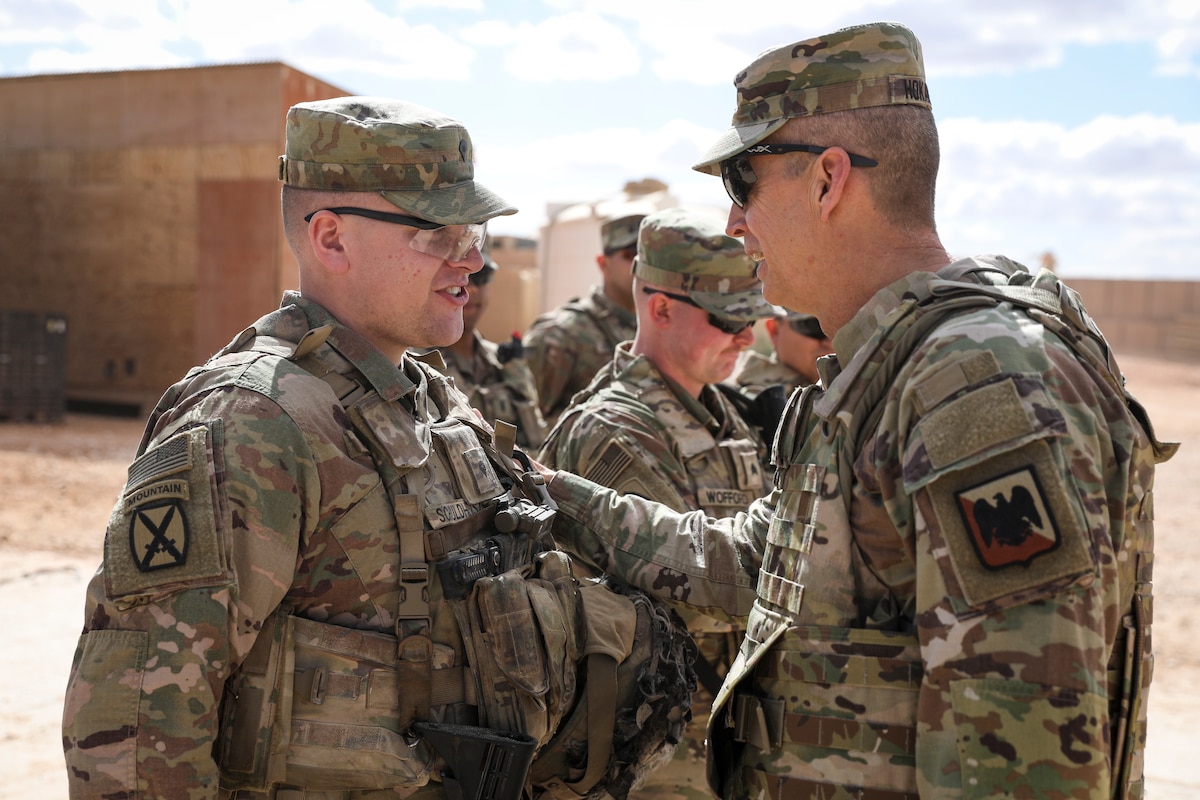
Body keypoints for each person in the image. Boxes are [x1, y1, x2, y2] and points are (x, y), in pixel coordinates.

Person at [536, 22, 1177, 799]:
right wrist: (545, 496)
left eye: (743, 183)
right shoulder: (889, 370)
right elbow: (752, 561)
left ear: (827, 179)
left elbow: (1021, 759)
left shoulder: (975, 382)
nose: (735, 225)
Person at [61, 97, 694, 800]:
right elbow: (139, 730)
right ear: (331, 238)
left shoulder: (428, 398)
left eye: (474, 231)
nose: (474, 261)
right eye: (438, 233)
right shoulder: (248, 422)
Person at [539, 206, 773, 799]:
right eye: (728, 319)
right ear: (662, 307)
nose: (748, 337)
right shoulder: (614, 429)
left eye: (754, 319)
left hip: (718, 749)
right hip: (652, 762)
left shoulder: (723, 417)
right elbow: (691, 597)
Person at [424, 245, 550, 449]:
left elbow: (537, 439)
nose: (471, 288)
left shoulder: (506, 362)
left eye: (481, 278)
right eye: (463, 276)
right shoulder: (415, 365)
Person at [523, 212, 642, 426]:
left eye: (647, 256)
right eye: (630, 254)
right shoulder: (561, 332)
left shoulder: (655, 331)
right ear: (603, 264)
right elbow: (527, 423)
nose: (640, 265)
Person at [723, 309, 834, 445]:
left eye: (841, 327)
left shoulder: (857, 393)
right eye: (814, 326)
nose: (831, 340)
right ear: (775, 330)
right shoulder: (738, 402)